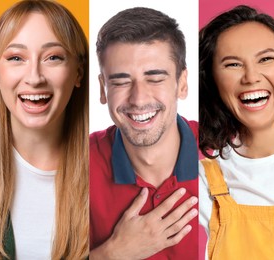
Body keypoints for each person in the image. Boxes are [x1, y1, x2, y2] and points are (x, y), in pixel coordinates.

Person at [87, 7, 205, 260]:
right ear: (103, 89)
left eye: (154, 78)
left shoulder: (226, 152)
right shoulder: (71, 162)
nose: (138, 99)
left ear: (182, 83)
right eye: (120, 81)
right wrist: (111, 254)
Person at [194, 5, 274, 258]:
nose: (251, 77)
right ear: (213, 82)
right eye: (233, 64)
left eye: (265, 59)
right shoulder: (202, 182)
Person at [0, 0, 90, 259]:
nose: (34, 77)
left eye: (53, 57)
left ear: (78, 73)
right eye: (16, 58)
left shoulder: (110, 169)